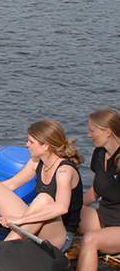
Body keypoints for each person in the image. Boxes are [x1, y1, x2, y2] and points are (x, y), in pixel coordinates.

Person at [0, 119, 83, 252]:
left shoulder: (64, 171)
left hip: (59, 235)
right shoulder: (36, 162)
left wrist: (20, 220)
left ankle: (0, 252)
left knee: (43, 199)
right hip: (34, 222)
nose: (27, 145)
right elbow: (11, 184)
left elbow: (61, 208)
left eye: (31, 142)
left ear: (46, 146)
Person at [77, 108, 120, 271]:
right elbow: (95, 192)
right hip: (102, 219)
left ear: (107, 132)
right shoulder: (100, 153)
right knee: (63, 213)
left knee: (90, 239)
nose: (89, 135)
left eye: (92, 131)